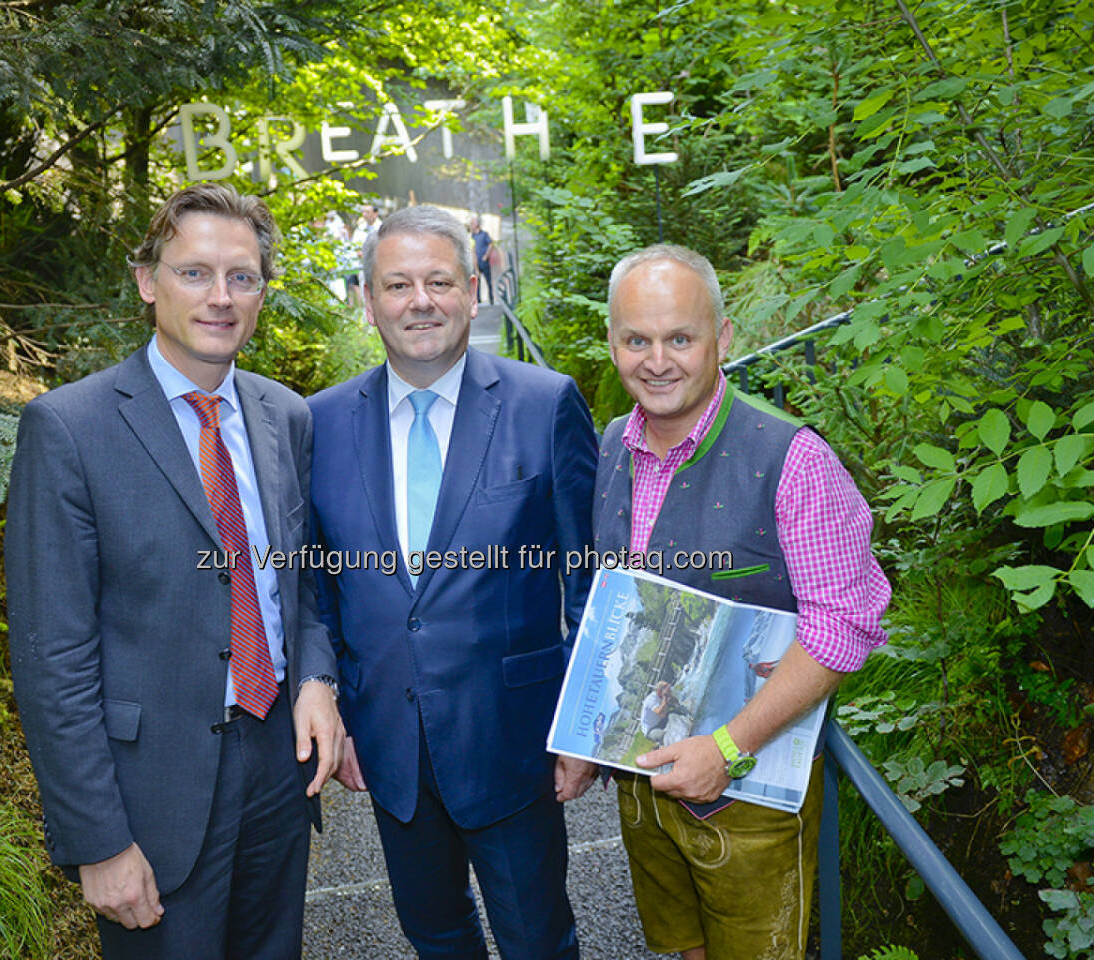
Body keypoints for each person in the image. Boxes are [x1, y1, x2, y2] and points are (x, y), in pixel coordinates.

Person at [6, 183, 344, 960]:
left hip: (276, 770)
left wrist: (318, 679)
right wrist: (97, 840)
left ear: (262, 291)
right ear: (147, 281)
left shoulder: (285, 415)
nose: (220, 297)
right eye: (194, 273)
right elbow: (51, 656)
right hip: (151, 791)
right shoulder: (69, 428)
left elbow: (300, 586)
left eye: (243, 276)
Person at [307, 204, 598, 960]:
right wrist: (335, 701)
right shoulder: (321, 423)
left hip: (514, 737)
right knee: (434, 935)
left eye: (439, 281)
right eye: (397, 285)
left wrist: (586, 723)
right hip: (389, 744)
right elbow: (319, 586)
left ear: (473, 289)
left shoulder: (545, 404)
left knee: (537, 939)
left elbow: (587, 578)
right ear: (367, 300)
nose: (420, 301)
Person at [594, 244, 890, 959]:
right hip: (643, 777)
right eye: (637, 339)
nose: (656, 360)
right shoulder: (611, 444)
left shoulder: (794, 459)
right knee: (682, 948)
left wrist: (729, 749)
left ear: (722, 339)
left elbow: (846, 626)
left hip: (749, 789)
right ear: (612, 343)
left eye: (680, 338)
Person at [345, 202, 382, 305]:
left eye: (368, 212)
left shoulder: (382, 228)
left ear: (375, 213)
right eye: (363, 212)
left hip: (377, 265)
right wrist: (357, 252)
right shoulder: (360, 229)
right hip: (363, 266)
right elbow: (353, 246)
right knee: (364, 292)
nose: (364, 214)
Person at [468, 215, 493, 303]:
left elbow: (490, 244)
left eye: (472, 223)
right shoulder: (472, 236)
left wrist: (486, 255)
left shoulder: (484, 234)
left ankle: (491, 299)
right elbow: (472, 250)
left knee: (488, 281)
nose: (471, 225)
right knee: (476, 282)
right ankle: (478, 301)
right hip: (476, 263)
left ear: (477, 224)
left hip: (484, 262)